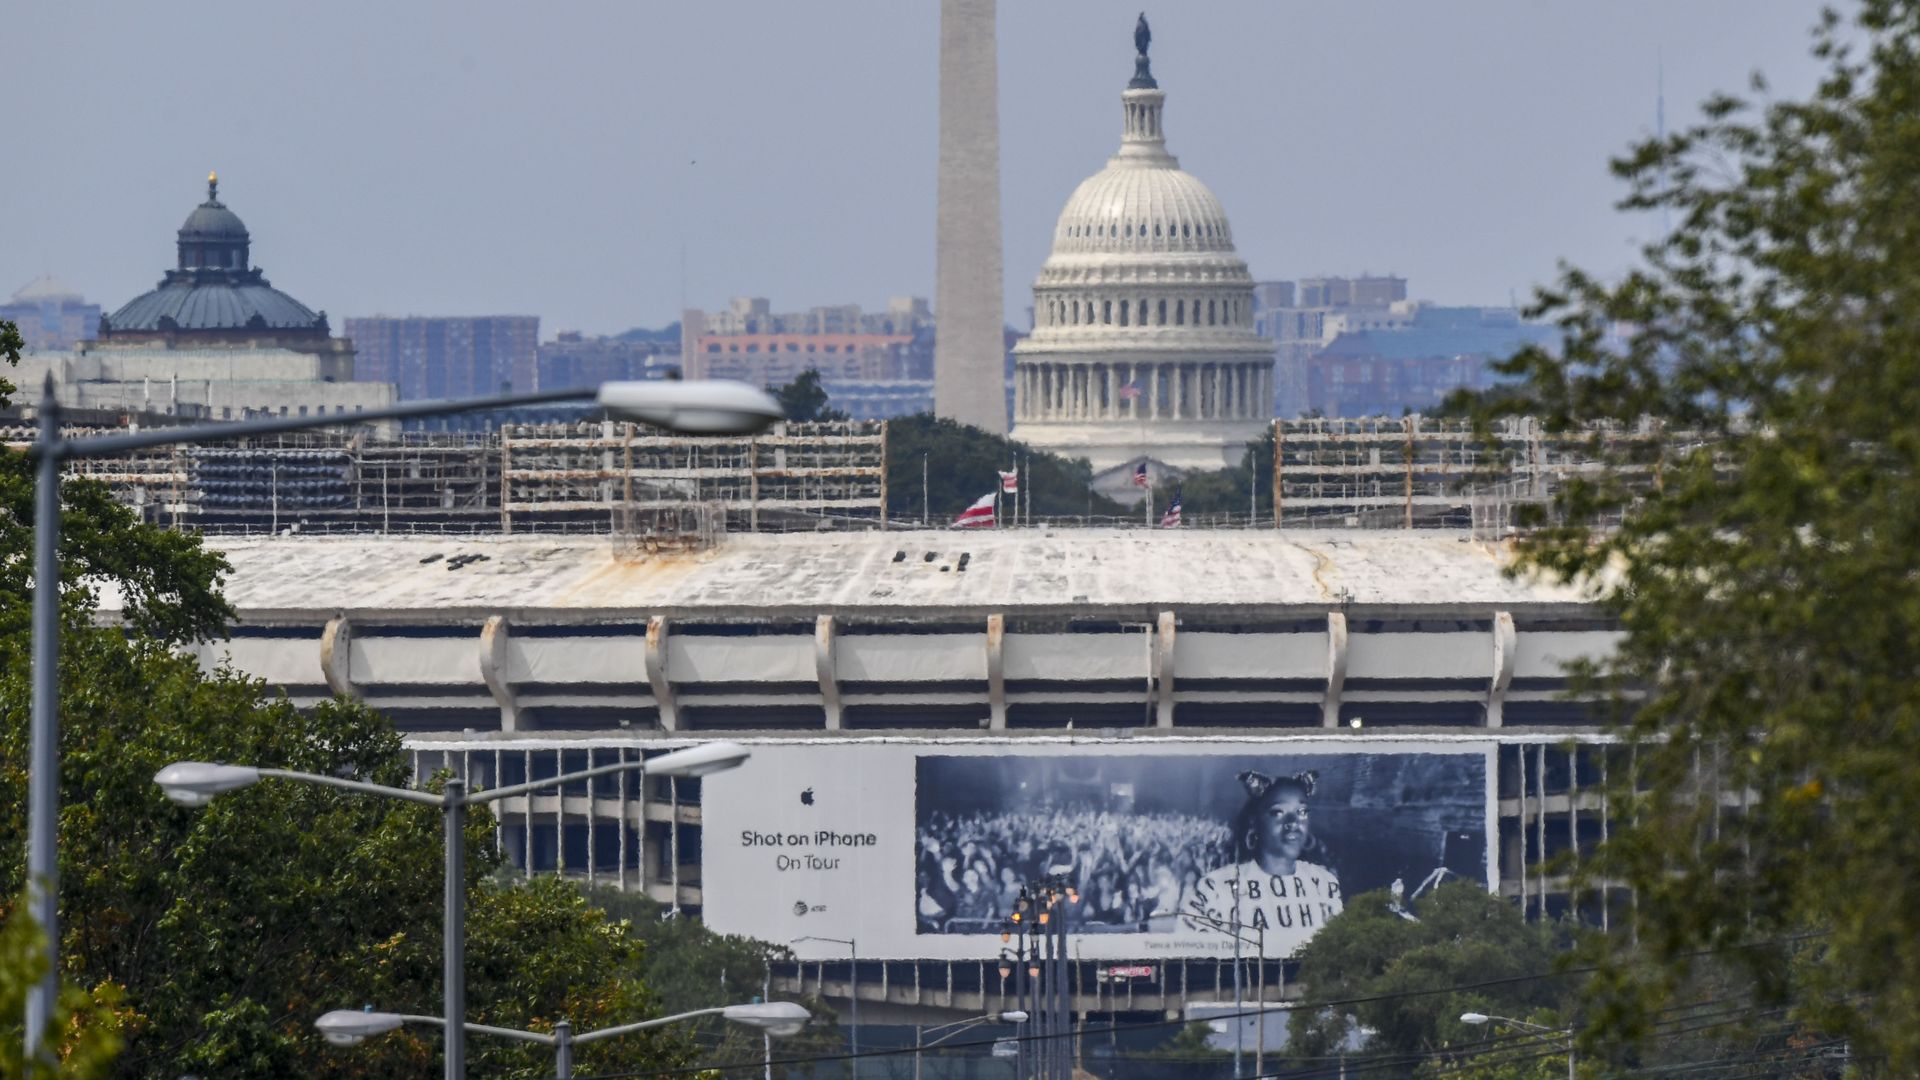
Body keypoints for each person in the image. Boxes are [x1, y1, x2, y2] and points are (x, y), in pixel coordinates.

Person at [1182, 771, 1342, 957]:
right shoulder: (1213, 891)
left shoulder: (1325, 884)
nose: (1293, 823)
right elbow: (1193, 969)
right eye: (1278, 812)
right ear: (1254, 824)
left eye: (1302, 812)